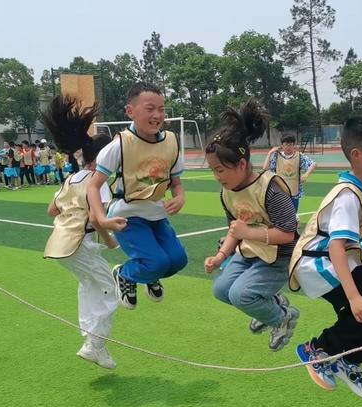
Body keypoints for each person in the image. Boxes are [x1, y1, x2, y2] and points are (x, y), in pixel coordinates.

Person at [291, 115, 362, 400]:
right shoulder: (347, 195)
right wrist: (353, 297)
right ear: (357, 155)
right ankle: (318, 349)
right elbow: (335, 247)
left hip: (340, 260)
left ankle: (349, 361)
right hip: (318, 263)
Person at [203, 99, 299, 352]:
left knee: (240, 295)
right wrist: (220, 255)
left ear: (242, 165)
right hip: (249, 253)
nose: (217, 177)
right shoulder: (227, 193)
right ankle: (269, 305)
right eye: (213, 171)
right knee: (222, 290)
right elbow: (235, 231)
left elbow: (288, 234)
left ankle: (282, 318)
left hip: (276, 257)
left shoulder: (269, 188)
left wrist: (248, 233)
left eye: (221, 170)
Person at [87, 81, 188, 310]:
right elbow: (93, 187)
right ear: (130, 111)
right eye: (150, 108)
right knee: (157, 261)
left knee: (178, 260)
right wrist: (102, 219)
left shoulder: (171, 143)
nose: (157, 115)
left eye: (161, 109)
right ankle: (124, 274)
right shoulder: (119, 145)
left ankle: (148, 274)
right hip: (127, 216)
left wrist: (180, 197)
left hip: (156, 213)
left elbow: (176, 183)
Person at [42, 94, 118, 369]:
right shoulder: (99, 183)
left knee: (88, 285)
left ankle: (89, 336)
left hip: (58, 245)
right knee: (110, 288)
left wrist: (73, 213)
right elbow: (99, 220)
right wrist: (110, 242)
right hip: (79, 244)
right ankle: (94, 344)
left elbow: (52, 209)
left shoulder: (71, 178)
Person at [263, 134, 316, 212]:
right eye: (286, 145)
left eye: (291, 145)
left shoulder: (299, 156)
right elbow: (265, 168)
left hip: (294, 192)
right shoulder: (276, 156)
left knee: (293, 214)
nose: (288, 147)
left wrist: (306, 174)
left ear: (294, 145)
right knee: (280, 215)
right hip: (279, 192)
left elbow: (313, 164)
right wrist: (270, 153)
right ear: (282, 146)